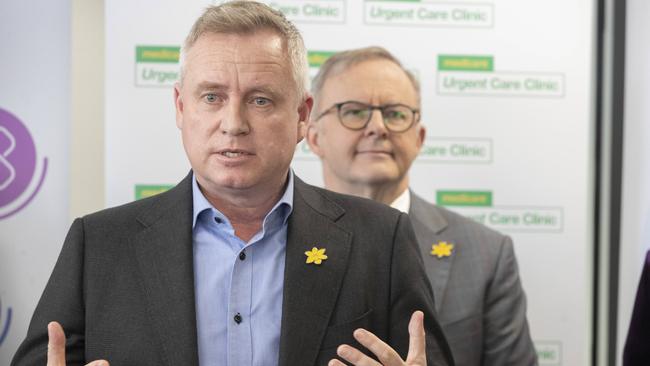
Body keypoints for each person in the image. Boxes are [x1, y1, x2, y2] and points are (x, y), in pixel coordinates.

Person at [11, 3, 454, 366]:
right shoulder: (100, 244)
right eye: (212, 97)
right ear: (181, 107)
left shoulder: (383, 239)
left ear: (302, 116)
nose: (233, 124)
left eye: (260, 100)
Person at [305, 46, 537, 366]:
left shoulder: (487, 254)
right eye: (354, 111)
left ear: (419, 137)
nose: (378, 127)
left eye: (395, 113)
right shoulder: (278, 239)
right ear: (313, 136)